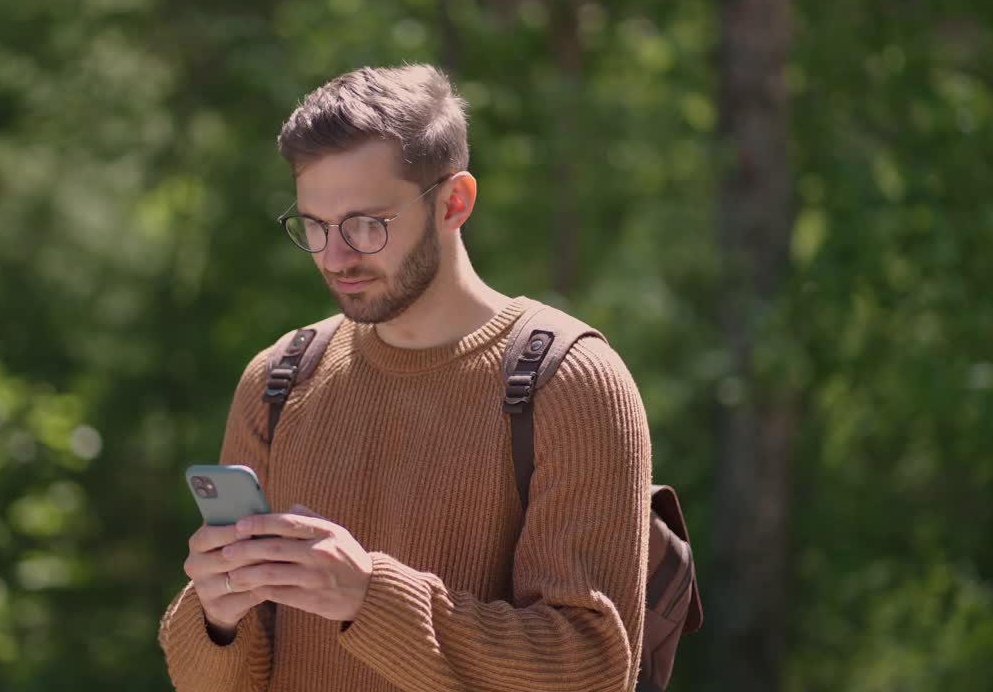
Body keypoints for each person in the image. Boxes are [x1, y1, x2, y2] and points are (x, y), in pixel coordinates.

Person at [158, 63, 651, 692]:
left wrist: (368, 596)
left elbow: (592, 668)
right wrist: (217, 617)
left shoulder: (569, 380)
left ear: (455, 202)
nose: (336, 257)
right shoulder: (280, 380)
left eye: (368, 224)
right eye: (313, 225)